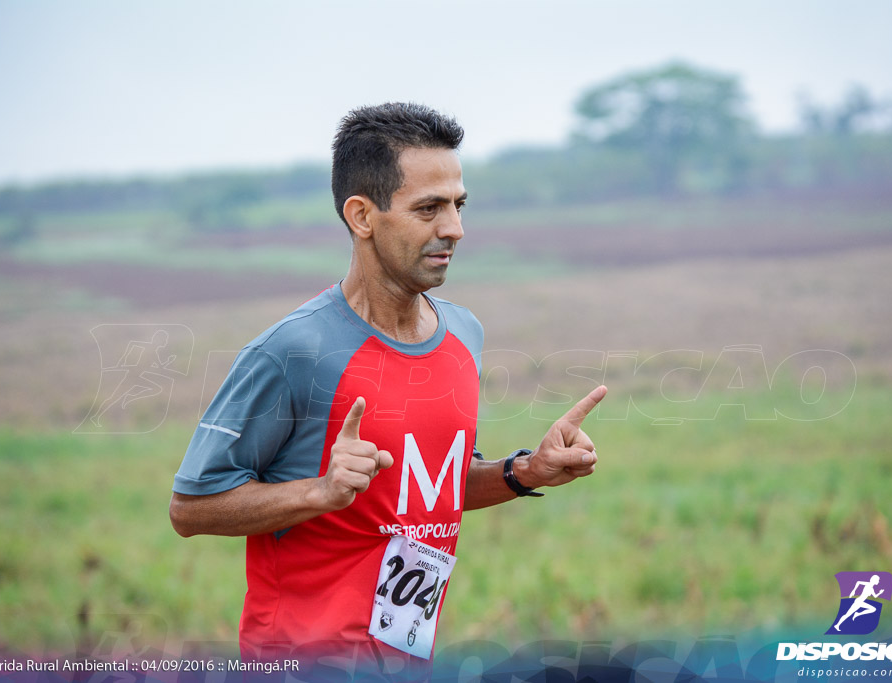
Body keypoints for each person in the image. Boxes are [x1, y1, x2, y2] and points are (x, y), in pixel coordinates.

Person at [169, 102, 607, 675]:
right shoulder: (293, 352)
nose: (453, 227)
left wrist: (524, 472)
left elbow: (429, 491)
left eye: (457, 205)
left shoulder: (463, 335)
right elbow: (191, 508)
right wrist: (318, 493)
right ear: (362, 215)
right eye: (428, 208)